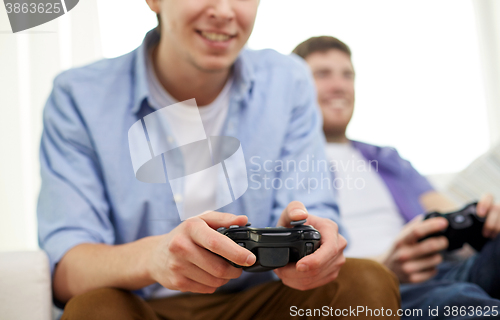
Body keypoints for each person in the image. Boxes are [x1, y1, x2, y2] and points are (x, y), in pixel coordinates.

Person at [37, 2, 401, 319]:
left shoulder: (288, 80)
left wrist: (307, 248)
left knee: (365, 281)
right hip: (142, 306)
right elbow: (66, 268)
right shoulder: (79, 97)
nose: (225, 12)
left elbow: (317, 211)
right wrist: (155, 257)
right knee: (92, 309)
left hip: (259, 301)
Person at [293, 36, 500, 319]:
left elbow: (447, 212)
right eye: (322, 74)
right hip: (368, 289)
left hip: (442, 271)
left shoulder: (388, 159)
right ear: (294, 88)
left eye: (347, 75)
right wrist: (383, 267)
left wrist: (483, 220)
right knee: (461, 302)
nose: (339, 85)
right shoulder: (280, 163)